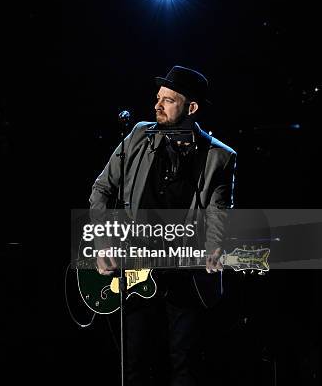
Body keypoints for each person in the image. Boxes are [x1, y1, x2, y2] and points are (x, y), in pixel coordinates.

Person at [89, 66, 237, 385]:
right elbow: (101, 189)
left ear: (191, 108)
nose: (157, 105)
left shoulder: (219, 157)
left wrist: (215, 248)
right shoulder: (140, 135)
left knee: (185, 365)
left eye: (168, 100)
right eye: (158, 98)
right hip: (136, 271)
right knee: (135, 362)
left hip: (184, 276)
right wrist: (102, 244)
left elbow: (219, 214)